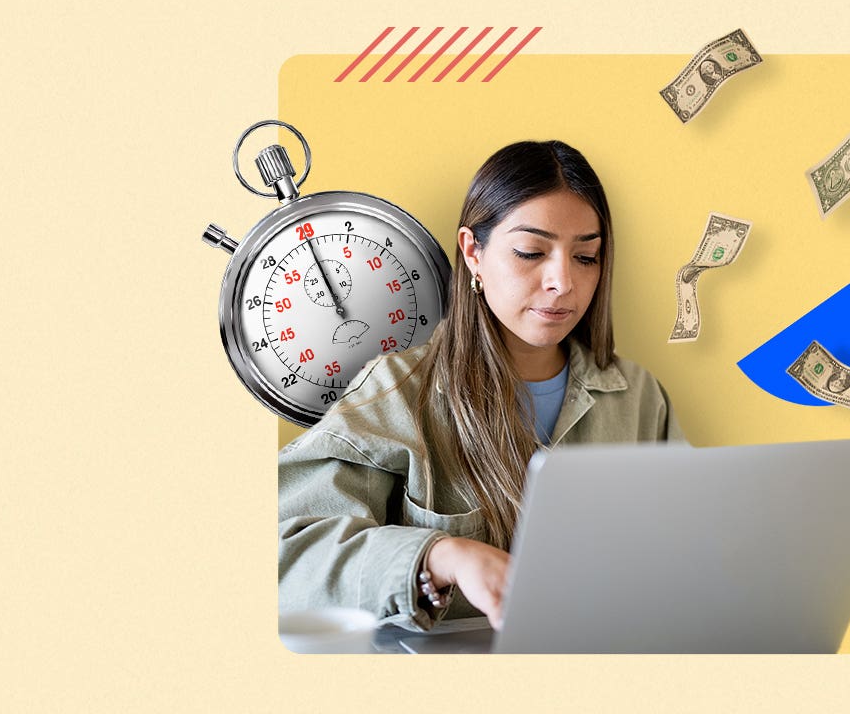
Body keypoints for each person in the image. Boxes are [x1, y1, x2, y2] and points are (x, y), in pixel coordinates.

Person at [278, 140, 686, 633]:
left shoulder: (640, 397)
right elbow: (285, 553)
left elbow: (686, 548)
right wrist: (441, 555)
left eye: (586, 257)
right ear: (473, 252)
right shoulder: (395, 391)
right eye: (530, 252)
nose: (562, 282)